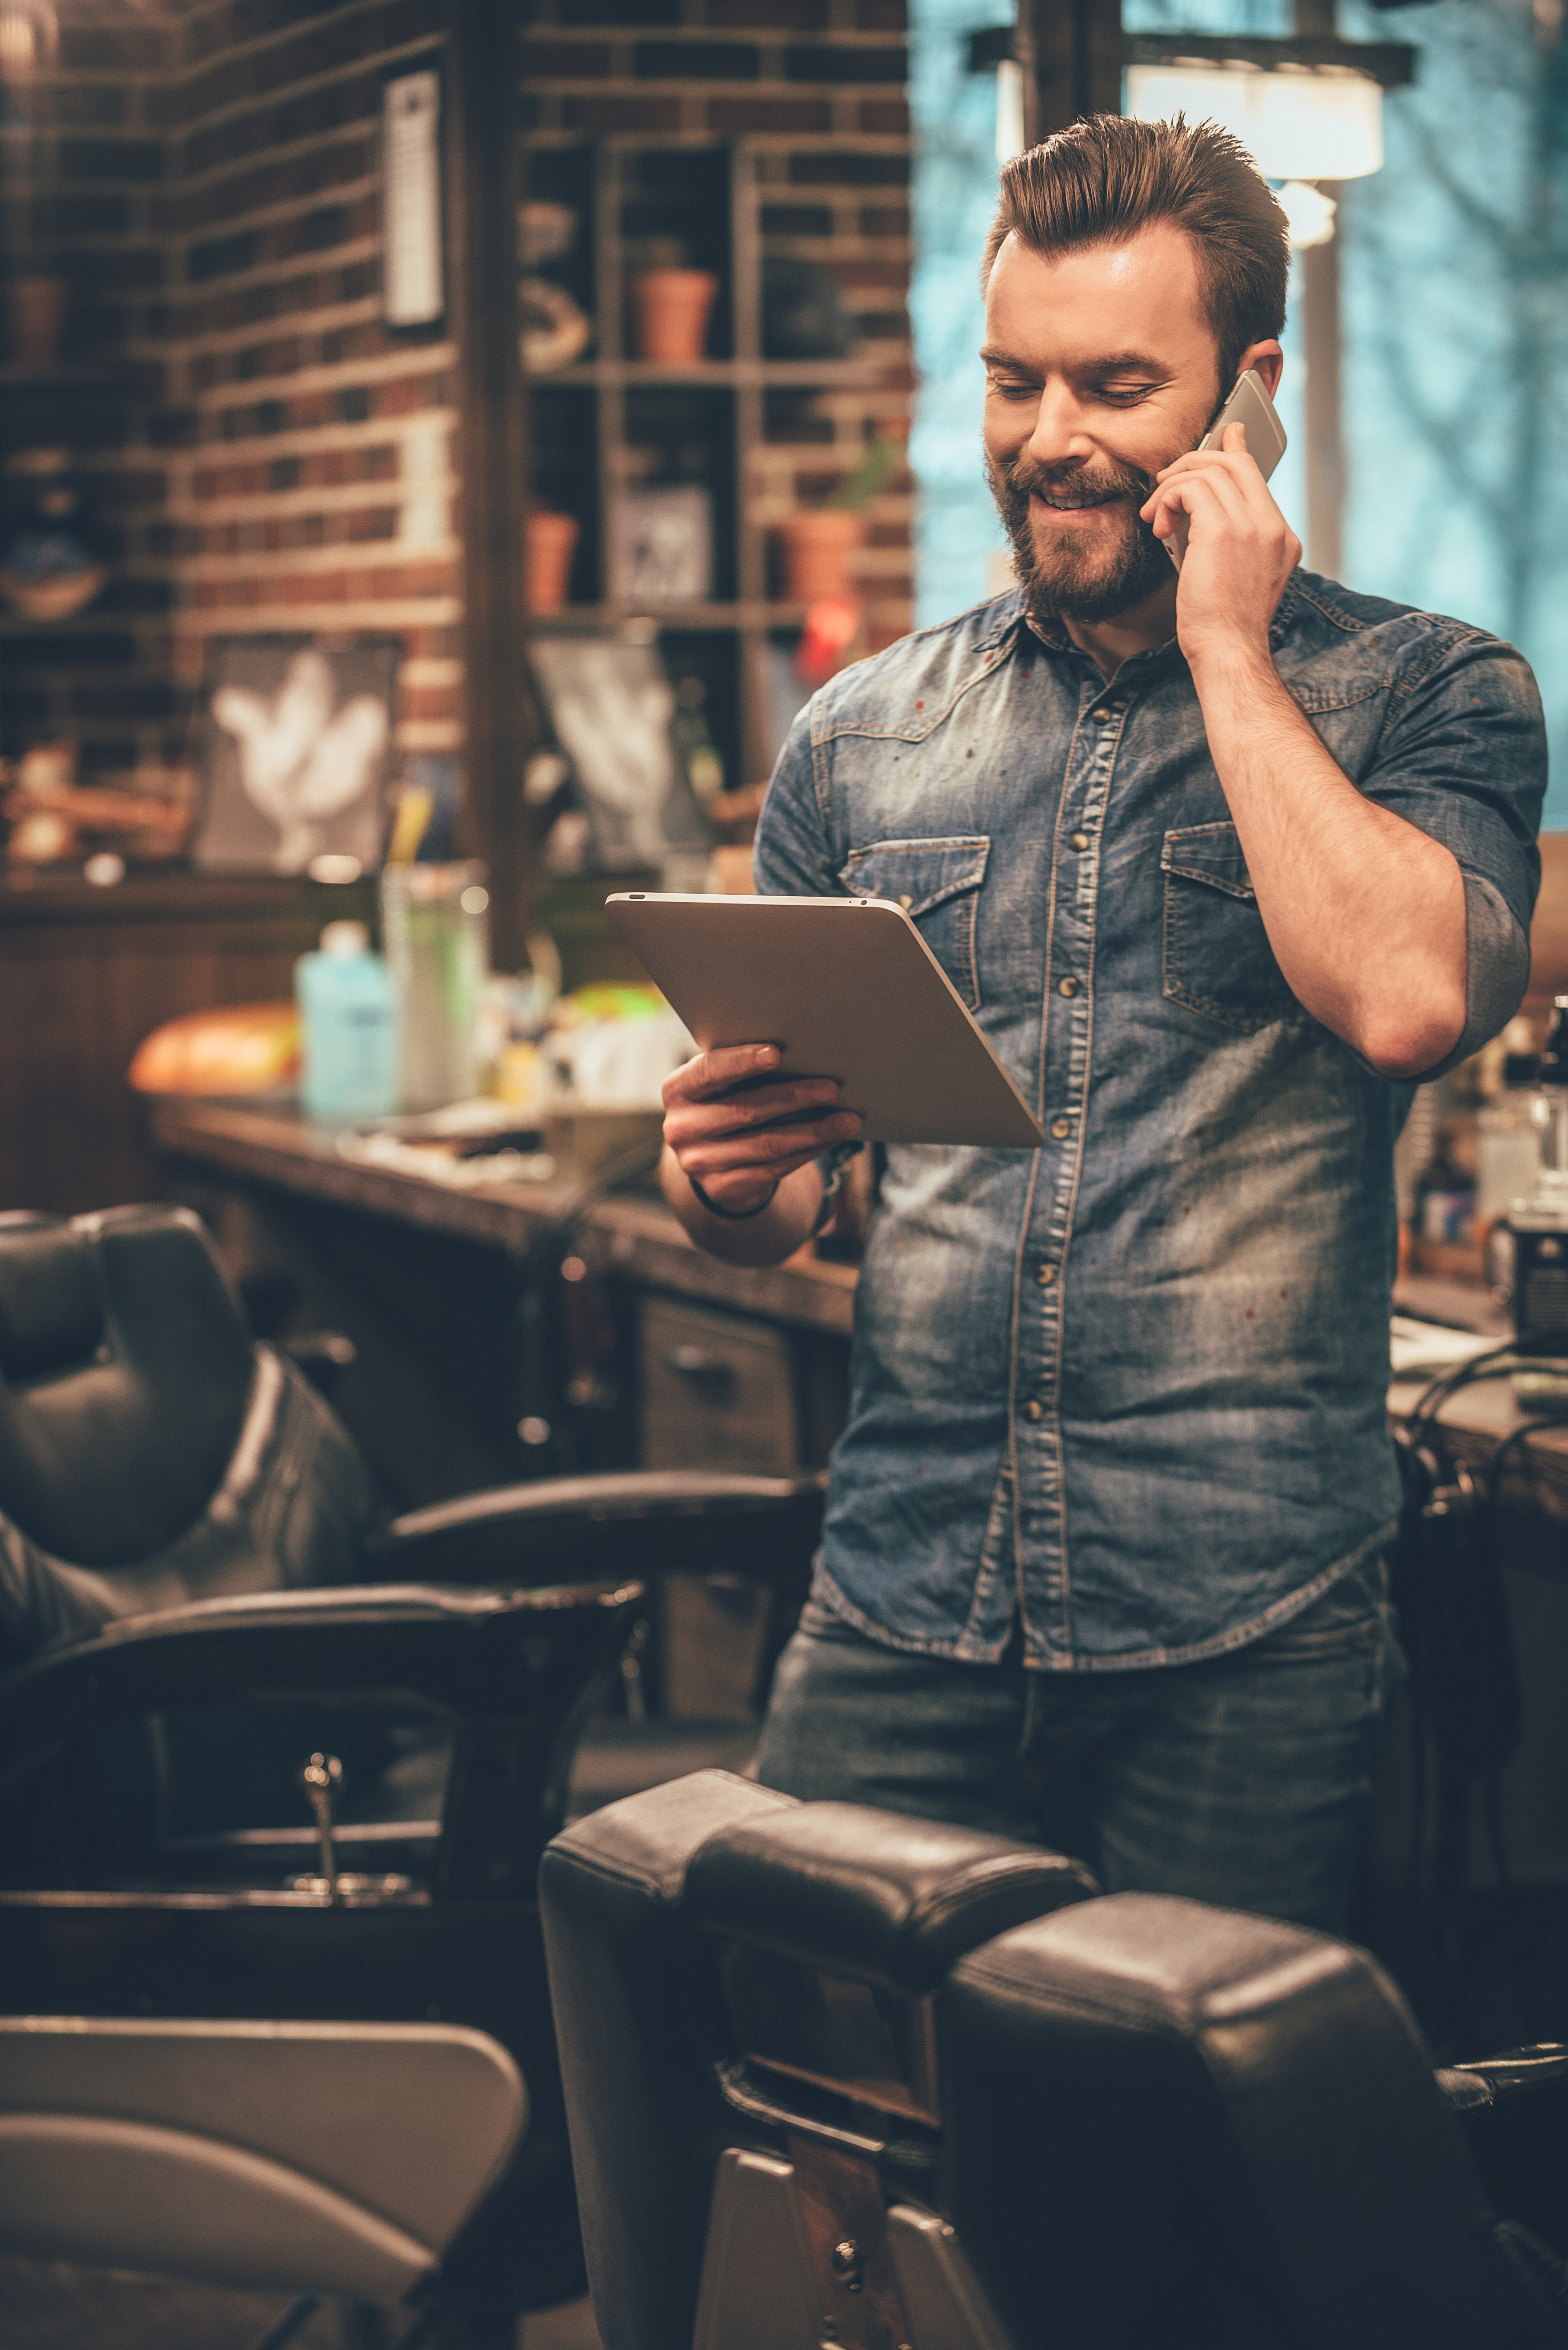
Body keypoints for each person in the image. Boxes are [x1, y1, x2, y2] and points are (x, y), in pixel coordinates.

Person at [658, 115, 1546, 1929]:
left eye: (1118, 387)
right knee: (813, 2081)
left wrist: (1228, 644)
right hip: (903, 1594)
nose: (1049, 437)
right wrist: (721, 1179)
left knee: (1177, 2110)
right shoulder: (859, 739)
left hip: (1244, 1628)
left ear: (1250, 392)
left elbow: (1406, 998)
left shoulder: (1431, 693)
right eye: (1016, 382)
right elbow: (787, 1202)